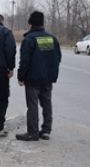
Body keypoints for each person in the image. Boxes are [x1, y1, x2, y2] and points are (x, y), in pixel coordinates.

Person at [16, 11, 61, 141]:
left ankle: (33, 133)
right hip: (48, 78)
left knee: (32, 105)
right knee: (47, 103)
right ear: (42, 23)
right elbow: (58, 58)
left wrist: (21, 77)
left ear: (30, 24)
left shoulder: (29, 39)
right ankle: (46, 131)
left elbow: (24, 61)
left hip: (33, 79)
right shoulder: (52, 38)